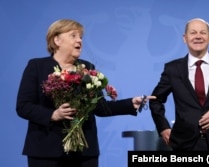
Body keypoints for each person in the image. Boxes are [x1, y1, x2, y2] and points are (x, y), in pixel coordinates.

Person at [16, 19, 155, 167]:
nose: (79, 40)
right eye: (73, 35)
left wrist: (130, 103)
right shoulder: (37, 66)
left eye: (81, 37)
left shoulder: (87, 67)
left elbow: (100, 107)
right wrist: (53, 115)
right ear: (57, 40)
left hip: (84, 154)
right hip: (45, 151)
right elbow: (23, 106)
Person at [149, 18, 209, 151]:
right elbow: (155, 100)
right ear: (185, 38)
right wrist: (163, 127)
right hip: (184, 145)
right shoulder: (172, 69)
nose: (198, 37)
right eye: (193, 33)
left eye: (203, 33)